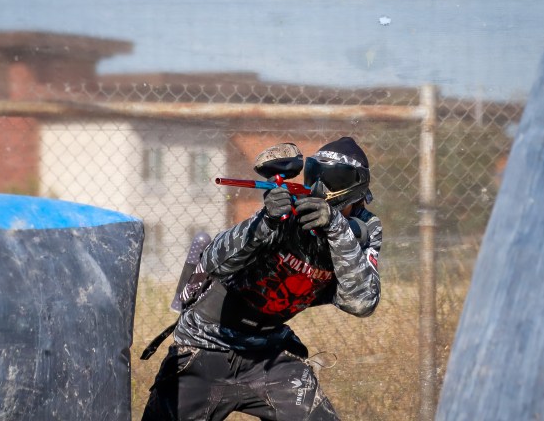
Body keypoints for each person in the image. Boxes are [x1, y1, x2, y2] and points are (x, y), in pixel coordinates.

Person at [142, 137, 382, 421]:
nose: (320, 187)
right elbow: (213, 263)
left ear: (355, 188)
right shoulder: (290, 212)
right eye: (315, 174)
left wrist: (336, 228)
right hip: (206, 344)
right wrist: (264, 222)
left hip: (269, 352)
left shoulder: (365, 229)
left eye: (334, 179)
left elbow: (360, 302)